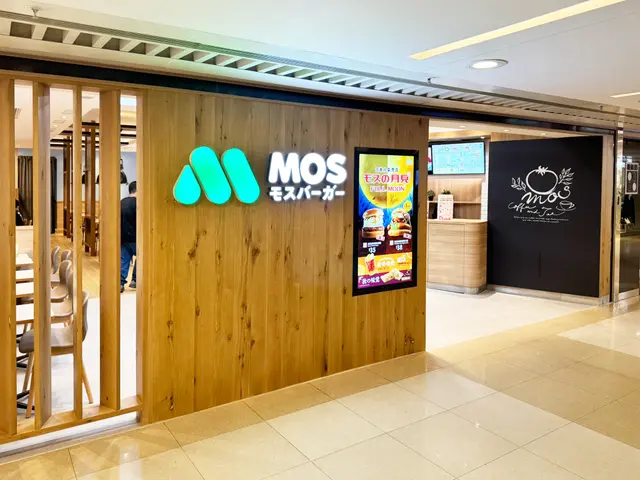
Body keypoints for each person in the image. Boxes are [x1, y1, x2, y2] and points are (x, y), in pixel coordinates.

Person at [120, 181, 137, 293]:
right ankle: (135, 280)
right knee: (142, 258)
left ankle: (120, 283)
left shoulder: (121, 202)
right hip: (136, 238)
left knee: (124, 260)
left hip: (123, 238)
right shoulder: (138, 203)